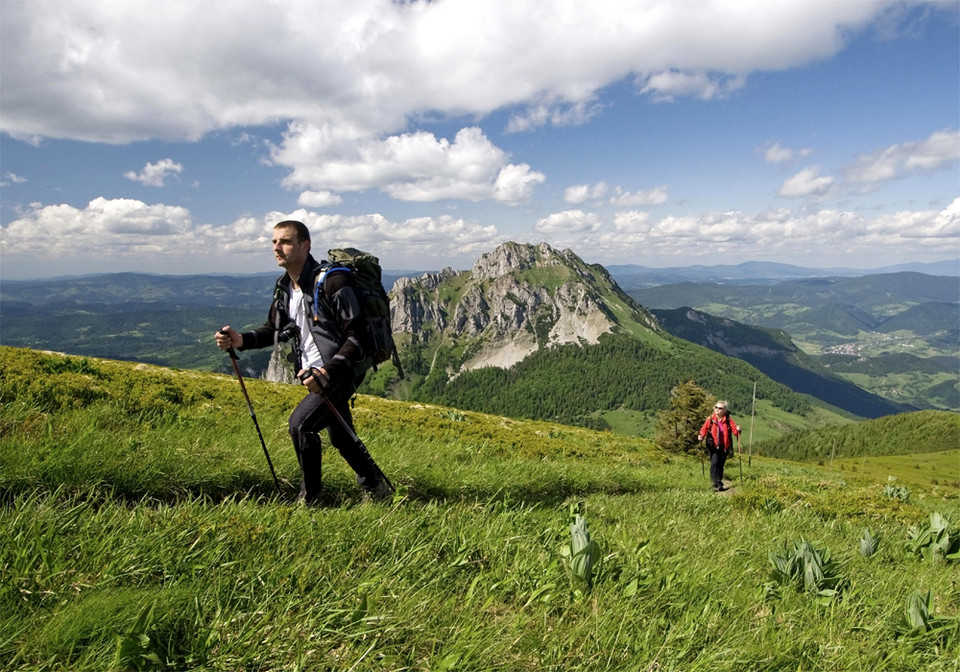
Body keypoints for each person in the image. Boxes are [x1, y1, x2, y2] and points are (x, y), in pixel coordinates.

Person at [215, 220, 393, 504]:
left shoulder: (334, 282)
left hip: (339, 371)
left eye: (284, 242)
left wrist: (326, 371)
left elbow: (357, 338)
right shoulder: (285, 285)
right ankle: (376, 486)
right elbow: (273, 329)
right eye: (274, 242)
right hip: (314, 373)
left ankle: (310, 499)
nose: (277, 248)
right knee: (340, 433)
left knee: (301, 424)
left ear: (305, 245)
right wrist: (240, 340)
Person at [697, 400, 740, 492]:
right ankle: (714, 483)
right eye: (716, 407)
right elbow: (704, 429)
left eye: (720, 408)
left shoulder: (728, 419)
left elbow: (735, 432)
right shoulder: (711, 419)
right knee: (714, 463)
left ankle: (719, 482)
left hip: (724, 446)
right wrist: (701, 436)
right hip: (712, 446)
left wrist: (738, 430)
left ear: (724, 410)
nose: (717, 410)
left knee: (720, 464)